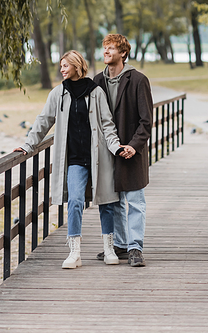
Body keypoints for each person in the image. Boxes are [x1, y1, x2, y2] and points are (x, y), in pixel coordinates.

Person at [14, 50, 134, 269]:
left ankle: (109, 249)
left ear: (77, 66)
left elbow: (108, 124)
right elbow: (43, 121)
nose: (62, 70)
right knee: (76, 201)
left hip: (100, 158)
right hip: (75, 159)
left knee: (107, 202)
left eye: (65, 66)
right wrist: (28, 145)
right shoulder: (57, 93)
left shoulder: (96, 92)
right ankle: (75, 252)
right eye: (60, 66)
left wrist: (116, 147)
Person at [95, 34, 153, 268]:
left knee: (135, 201)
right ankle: (119, 245)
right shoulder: (97, 81)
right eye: (105, 48)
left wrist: (133, 146)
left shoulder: (138, 80)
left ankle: (135, 247)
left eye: (111, 48)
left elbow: (146, 121)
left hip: (132, 151)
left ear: (123, 53)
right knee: (113, 201)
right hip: (107, 152)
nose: (106, 51)